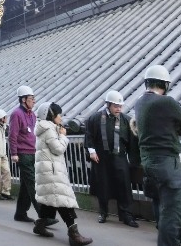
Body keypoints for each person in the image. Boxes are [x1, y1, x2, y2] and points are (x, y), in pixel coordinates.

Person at [135, 65, 181, 246]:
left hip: (150, 163)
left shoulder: (139, 102)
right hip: (167, 164)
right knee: (171, 215)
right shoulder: (166, 102)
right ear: (165, 84)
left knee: (178, 209)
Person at [33, 102, 93, 245]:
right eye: (59, 114)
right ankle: (74, 234)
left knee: (51, 200)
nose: (61, 117)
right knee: (63, 201)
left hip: (49, 169)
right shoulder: (49, 130)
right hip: (52, 171)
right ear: (51, 115)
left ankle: (40, 225)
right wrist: (63, 136)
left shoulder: (47, 128)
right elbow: (58, 149)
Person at [85, 90, 138, 227]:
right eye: (116, 106)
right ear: (108, 105)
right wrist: (91, 151)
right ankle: (103, 212)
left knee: (124, 187)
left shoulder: (126, 120)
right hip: (101, 159)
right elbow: (89, 136)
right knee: (103, 186)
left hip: (120, 158)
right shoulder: (95, 118)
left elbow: (132, 142)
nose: (119, 109)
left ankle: (126, 215)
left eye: (120, 106)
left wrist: (134, 160)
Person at [9, 85, 42, 222]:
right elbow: (12, 135)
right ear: (23, 100)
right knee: (33, 183)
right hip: (23, 154)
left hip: (33, 152)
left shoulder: (32, 114)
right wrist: (14, 153)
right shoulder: (16, 114)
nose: (34, 101)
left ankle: (20, 213)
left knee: (25, 185)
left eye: (34, 98)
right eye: (31, 98)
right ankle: (44, 215)